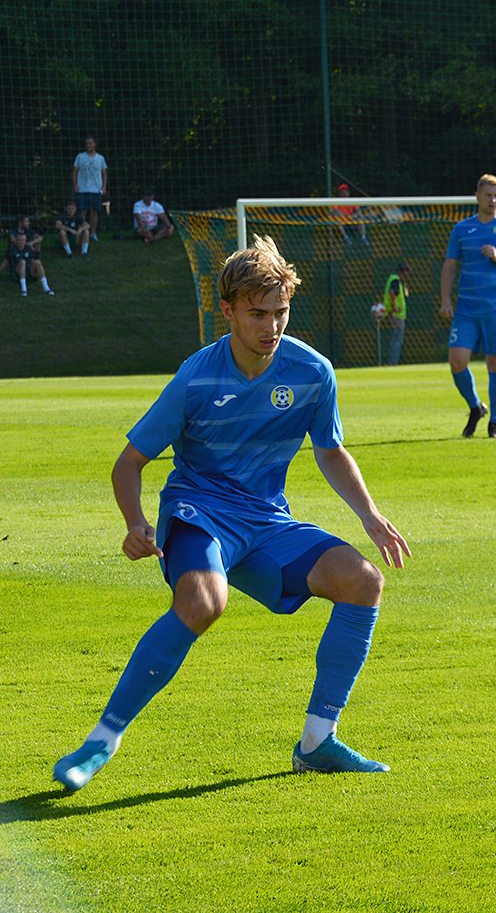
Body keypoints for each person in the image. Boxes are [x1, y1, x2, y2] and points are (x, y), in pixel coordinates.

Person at [52, 235, 410, 794]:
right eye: (257, 314)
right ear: (228, 311)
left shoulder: (312, 371)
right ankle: (102, 739)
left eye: (281, 312)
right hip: (199, 511)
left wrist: (369, 514)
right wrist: (135, 523)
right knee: (203, 602)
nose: (272, 326)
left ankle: (317, 742)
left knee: (363, 582)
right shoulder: (196, 377)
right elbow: (129, 463)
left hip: (266, 521)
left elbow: (330, 449)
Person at [439, 174, 496, 439]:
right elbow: (449, 266)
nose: (493, 200)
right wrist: (446, 300)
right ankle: (475, 407)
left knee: (495, 364)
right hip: (467, 308)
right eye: (488, 195)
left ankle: (495, 425)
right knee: (457, 361)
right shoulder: (462, 229)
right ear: (477, 196)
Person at [72, 135, 108, 242]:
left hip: (96, 190)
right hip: (82, 189)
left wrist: (104, 187)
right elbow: (75, 172)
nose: (88, 145)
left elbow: (104, 173)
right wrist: (75, 185)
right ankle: (82, 233)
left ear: (95, 144)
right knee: (82, 212)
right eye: (87, 143)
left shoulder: (100, 158)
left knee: (94, 212)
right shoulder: (80, 157)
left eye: (90, 143)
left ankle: (93, 234)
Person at [1, 231, 55, 296]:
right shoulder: (11, 250)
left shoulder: (28, 248)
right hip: (18, 272)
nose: (21, 242)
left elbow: (32, 260)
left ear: (25, 241)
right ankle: (24, 289)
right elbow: (4, 263)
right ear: (16, 240)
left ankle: (46, 287)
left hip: (29, 271)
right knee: (22, 262)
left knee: (37, 262)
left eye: (23, 240)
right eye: (19, 240)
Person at [379, 261, 411, 365]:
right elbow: (392, 293)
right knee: (397, 340)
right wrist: (395, 307)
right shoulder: (395, 280)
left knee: (395, 340)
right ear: (404, 272)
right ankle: (392, 363)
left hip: (395, 315)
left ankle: (392, 362)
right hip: (397, 315)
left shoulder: (393, 279)